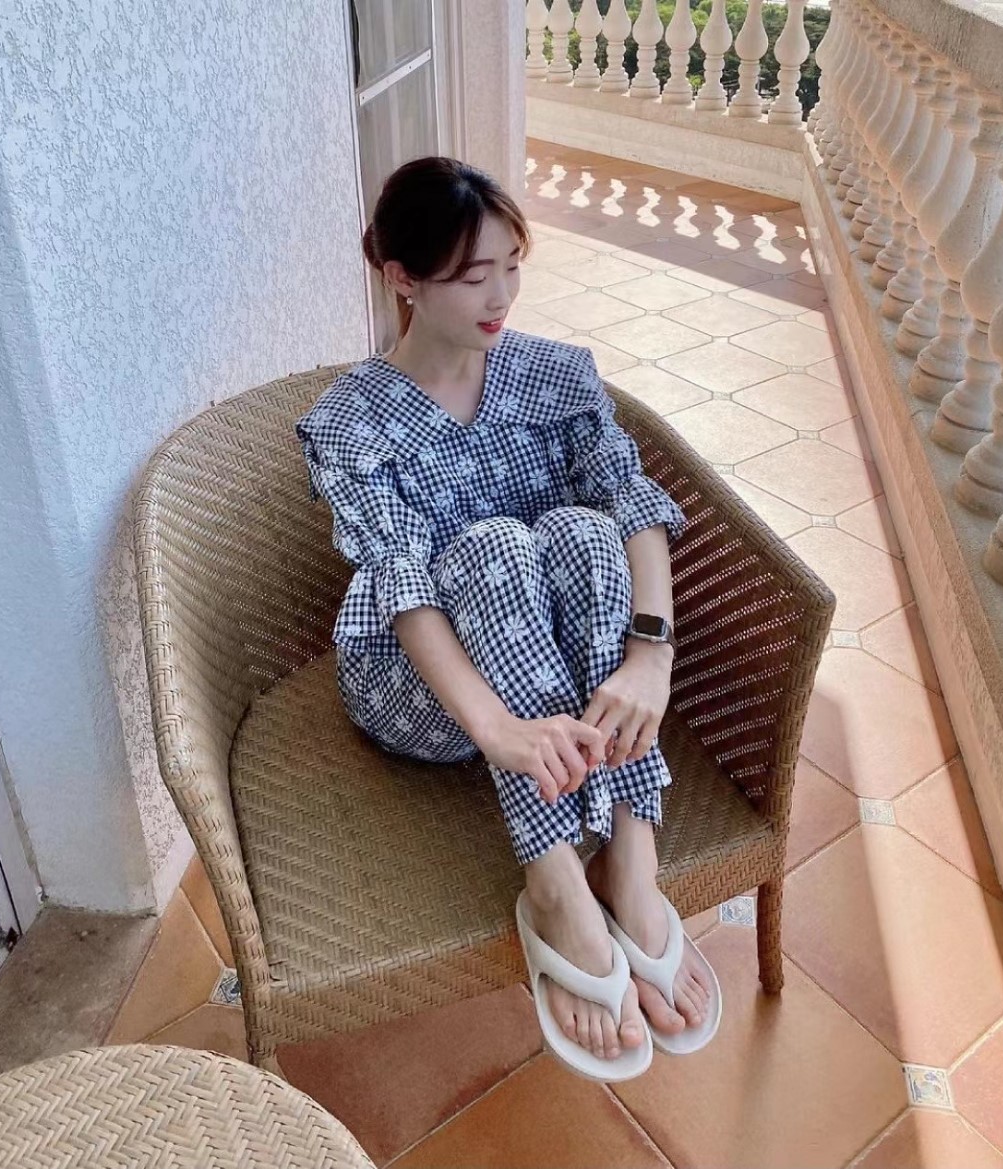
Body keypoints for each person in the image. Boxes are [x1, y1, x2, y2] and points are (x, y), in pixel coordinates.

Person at [296, 156, 720, 1080]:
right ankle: (557, 879)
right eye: (472, 275)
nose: (501, 296)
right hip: (422, 690)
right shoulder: (351, 423)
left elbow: (632, 501)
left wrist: (651, 655)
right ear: (403, 278)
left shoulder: (555, 375)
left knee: (583, 530)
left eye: (513, 266)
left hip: (557, 669)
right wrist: (496, 729)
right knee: (492, 548)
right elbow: (404, 590)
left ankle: (631, 862)